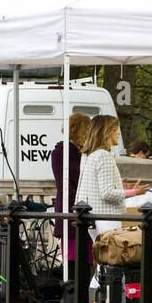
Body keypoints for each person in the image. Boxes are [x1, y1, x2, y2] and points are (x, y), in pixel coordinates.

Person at [77, 115, 148, 222]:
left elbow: (95, 185)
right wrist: (134, 192)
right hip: (105, 216)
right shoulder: (104, 155)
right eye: (116, 130)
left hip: (89, 215)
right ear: (107, 132)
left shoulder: (87, 155)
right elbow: (107, 193)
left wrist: (120, 185)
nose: (118, 133)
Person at [50, 113, 92, 265]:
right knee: (75, 259)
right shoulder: (61, 153)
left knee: (87, 259)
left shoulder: (82, 153)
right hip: (72, 208)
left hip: (81, 209)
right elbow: (65, 185)